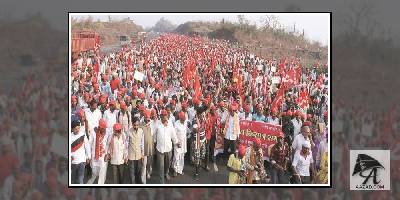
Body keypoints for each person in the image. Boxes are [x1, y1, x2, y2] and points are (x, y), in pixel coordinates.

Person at [154, 110, 178, 183]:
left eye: (165, 115)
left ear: (167, 116)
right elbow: (154, 135)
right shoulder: (157, 124)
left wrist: (176, 142)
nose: (164, 117)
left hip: (168, 148)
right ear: (160, 116)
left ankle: (166, 173)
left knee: (167, 164)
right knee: (161, 166)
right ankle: (162, 182)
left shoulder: (170, 124)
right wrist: (154, 143)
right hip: (160, 149)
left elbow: (173, 135)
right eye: (163, 115)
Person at [87, 119, 109, 184]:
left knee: (102, 172)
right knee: (94, 172)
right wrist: (89, 156)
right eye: (103, 128)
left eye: (105, 128)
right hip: (94, 156)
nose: (104, 129)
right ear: (99, 127)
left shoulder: (107, 132)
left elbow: (108, 143)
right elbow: (89, 144)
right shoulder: (93, 132)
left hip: (103, 156)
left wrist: (107, 154)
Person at [70, 120, 91, 184]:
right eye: (75, 129)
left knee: (80, 179)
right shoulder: (70, 137)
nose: (77, 130)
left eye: (78, 128)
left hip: (82, 161)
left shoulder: (83, 135)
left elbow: (87, 146)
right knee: (73, 179)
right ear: (72, 129)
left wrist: (88, 157)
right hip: (73, 162)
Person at [127, 117, 144, 184]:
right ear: (132, 124)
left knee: (138, 170)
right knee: (131, 171)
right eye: (134, 125)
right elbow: (126, 143)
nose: (136, 126)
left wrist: (142, 154)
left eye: (137, 125)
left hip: (139, 154)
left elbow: (142, 143)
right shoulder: (129, 131)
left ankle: (138, 183)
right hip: (131, 154)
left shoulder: (141, 131)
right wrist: (126, 155)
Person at [172, 112, 188, 176]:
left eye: (184, 118)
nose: (184, 120)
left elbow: (186, 131)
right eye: (183, 119)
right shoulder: (176, 124)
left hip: (184, 142)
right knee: (176, 156)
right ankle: (175, 170)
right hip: (177, 143)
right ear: (180, 118)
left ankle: (180, 169)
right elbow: (174, 134)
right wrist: (176, 142)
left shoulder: (185, 123)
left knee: (182, 156)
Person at [141, 109, 154, 182]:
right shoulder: (141, 125)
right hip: (144, 148)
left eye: (148, 118)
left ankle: (148, 172)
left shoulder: (152, 124)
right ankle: (143, 180)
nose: (147, 119)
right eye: (146, 118)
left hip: (151, 147)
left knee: (149, 162)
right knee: (144, 164)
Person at [205, 105, 220, 172]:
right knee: (207, 148)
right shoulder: (208, 115)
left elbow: (218, 124)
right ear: (211, 110)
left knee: (212, 146)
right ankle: (206, 162)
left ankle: (211, 157)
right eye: (213, 110)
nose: (214, 111)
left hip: (213, 134)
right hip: (208, 134)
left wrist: (217, 125)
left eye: (215, 110)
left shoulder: (216, 116)